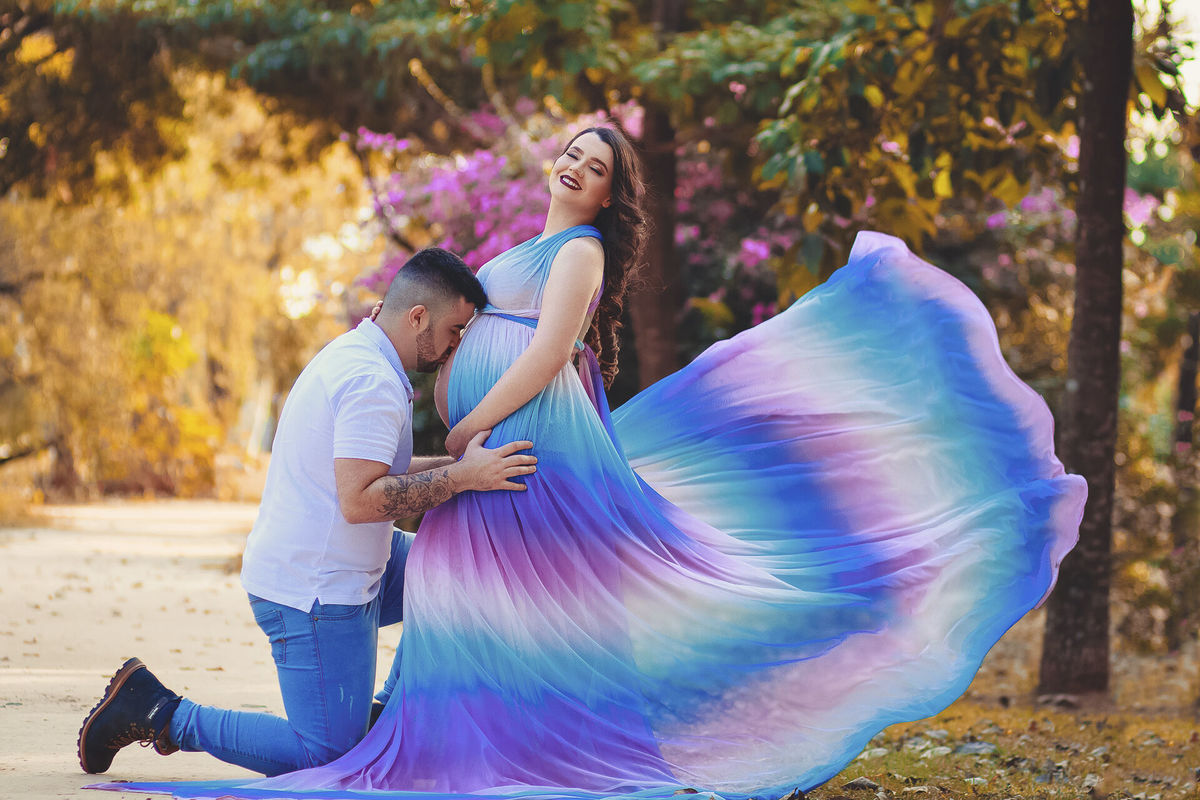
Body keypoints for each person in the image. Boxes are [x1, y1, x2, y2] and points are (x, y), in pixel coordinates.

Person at [88, 126, 1086, 800]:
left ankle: (426, 717)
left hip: (521, 443)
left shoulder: (581, 257)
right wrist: (454, 430)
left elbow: (536, 355)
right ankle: (445, 708)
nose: (575, 164)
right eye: (569, 150)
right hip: (476, 457)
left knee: (507, 590)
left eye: (595, 162)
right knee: (465, 589)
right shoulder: (529, 246)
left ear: (612, 192)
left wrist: (467, 424)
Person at [77, 247, 538, 777]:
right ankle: (158, 712)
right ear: (418, 317)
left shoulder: (361, 356)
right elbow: (361, 498)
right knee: (328, 756)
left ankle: (386, 711)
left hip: (359, 566)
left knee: (463, 574)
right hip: (316, 592)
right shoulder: (372, 382)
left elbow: (381, 466)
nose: (458, 344)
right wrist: (463, 477)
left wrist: (463, 464)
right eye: (456, 329)